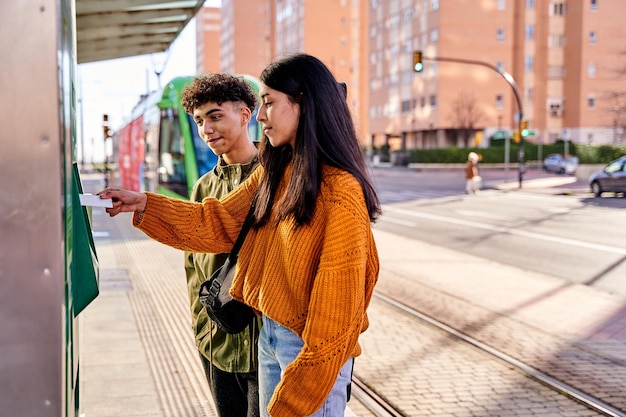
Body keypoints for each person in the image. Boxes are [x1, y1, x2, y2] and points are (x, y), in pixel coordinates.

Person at [98, 53, 381, 417]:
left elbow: (337, 318)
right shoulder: (278, 172)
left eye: (268, 103)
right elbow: (217, 223)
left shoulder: (340, 191)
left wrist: (297, 395)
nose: (260, 115)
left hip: (308, 351)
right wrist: (143, 204)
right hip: (270, 336)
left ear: (304, 105)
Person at [180, 73, 261, 417]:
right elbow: (192, 269)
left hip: (264, 348)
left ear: (245, 115)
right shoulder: (201, 188)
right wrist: (202, 326)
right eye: (199, 121)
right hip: (216, 344)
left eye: (215, 116)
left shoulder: (276, 178)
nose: (206, 130)